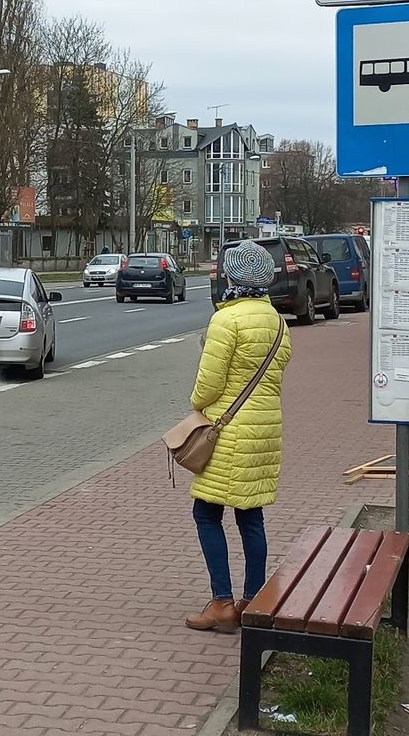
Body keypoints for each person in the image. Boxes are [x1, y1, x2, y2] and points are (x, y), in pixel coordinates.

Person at [185, 240, 292, 634]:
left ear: (232, 276)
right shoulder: (279, 322)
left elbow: (207, 387)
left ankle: (221, 603)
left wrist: (196, 403)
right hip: (265, 430)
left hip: (229, 432)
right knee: (251, 516)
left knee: (207, 512)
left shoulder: (225, 320)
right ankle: (253, 600)